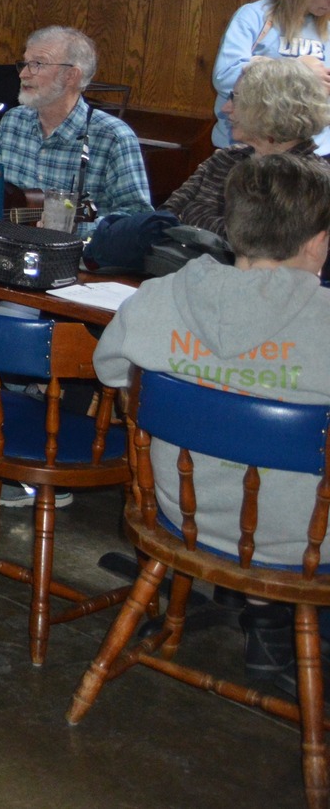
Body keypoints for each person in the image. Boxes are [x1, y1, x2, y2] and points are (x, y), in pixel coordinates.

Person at [94, 151, 330, 689]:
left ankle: (261, 618)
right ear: (318, 240)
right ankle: (276, 629)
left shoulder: (157, 299)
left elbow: (112, 376)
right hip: (305, 544)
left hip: (182, 514)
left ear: (231, 226)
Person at [0, 25, 150, 232]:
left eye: (37, 64)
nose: (23, 74)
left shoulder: (113, 136)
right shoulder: (13, 121)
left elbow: (138, 219)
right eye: (24, 64)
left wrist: (73, 228)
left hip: (69, 258)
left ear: (71, 76)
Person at [165, 57, 330, 240]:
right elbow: (164, 218)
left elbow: (255, 243)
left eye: (235, 98)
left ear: (269, 109)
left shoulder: (311, 179)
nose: (226, 109)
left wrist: (191, 214)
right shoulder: (227, 158)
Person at [212, 0, 330, 153]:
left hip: (312, 152)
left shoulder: (327, 28)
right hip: (245, 148)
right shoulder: (255, 16)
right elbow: (225, 77)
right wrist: (298, 71)